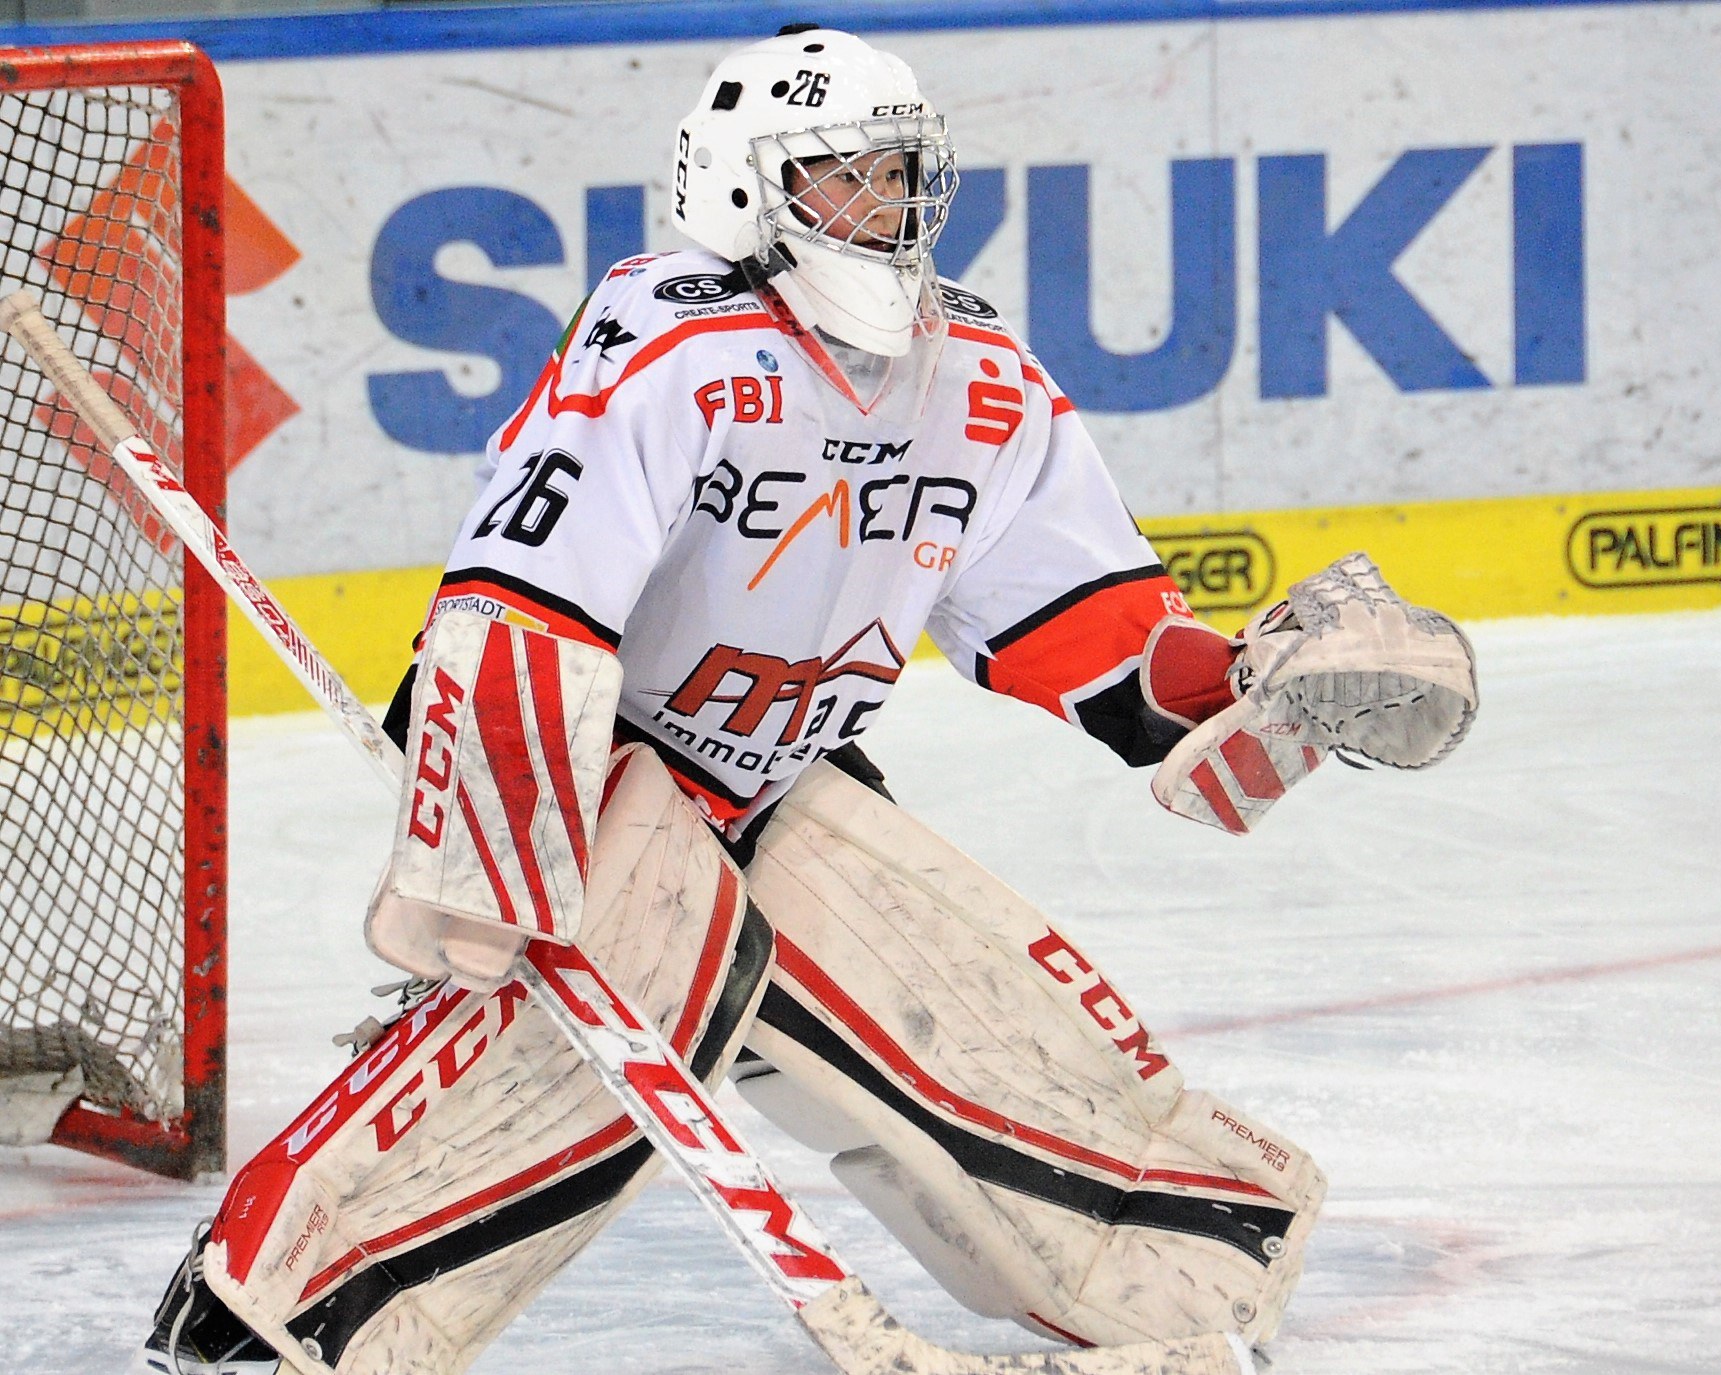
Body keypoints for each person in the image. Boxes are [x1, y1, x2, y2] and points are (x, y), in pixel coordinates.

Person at [133, 25, 1477, 1375]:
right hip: (596, 778)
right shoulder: (670, 338)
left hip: (776, 786)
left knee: (1007, 1041)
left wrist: (1241, 685)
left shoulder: (980, 378)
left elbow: (1094, 631)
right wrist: (501, 852)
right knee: (537, 1080)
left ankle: (1178, 1284)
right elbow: (524, 599)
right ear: (742, 181)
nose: (883, 206)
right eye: (844, 174)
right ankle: (260, 1329)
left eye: (899, 174)